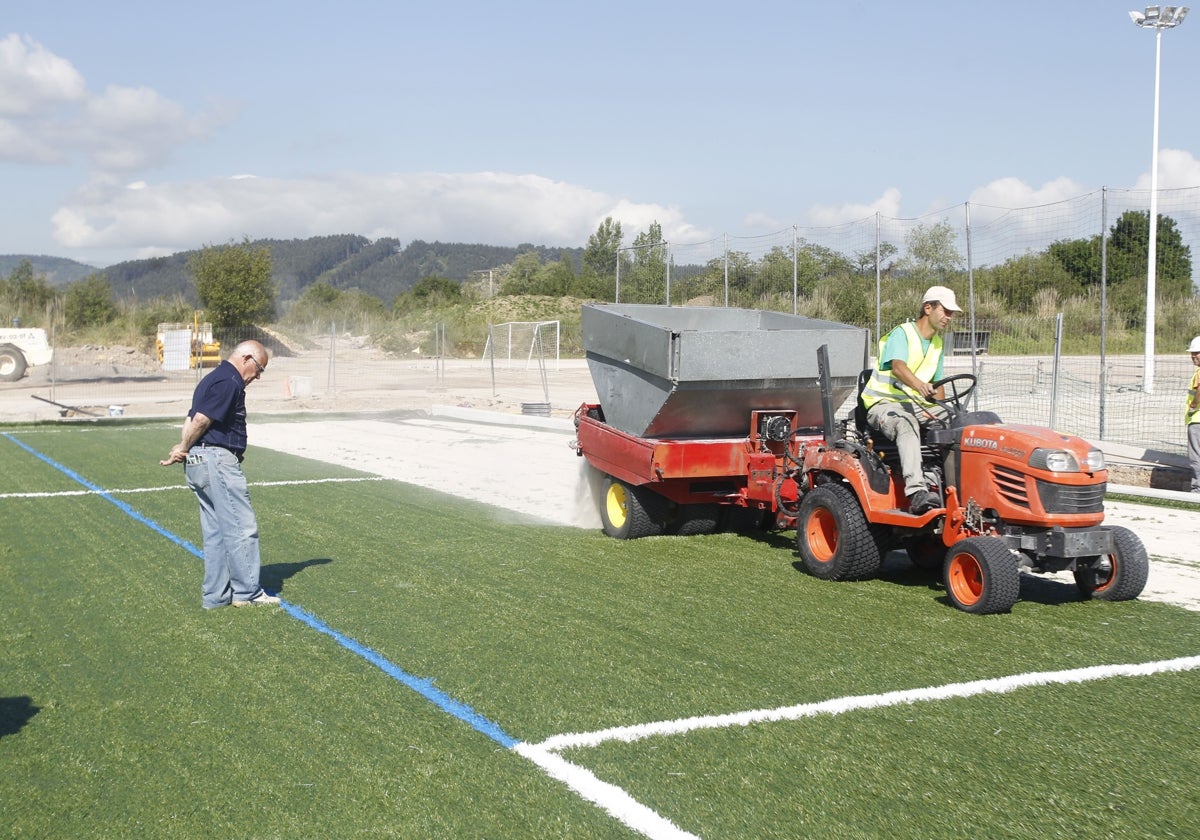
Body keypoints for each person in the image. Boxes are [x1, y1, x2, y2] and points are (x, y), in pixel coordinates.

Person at [160, 339, 279, 609]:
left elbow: (191, 419)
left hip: (200, 462)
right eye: (259, 369)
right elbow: (201, 420)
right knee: (242, 527)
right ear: (246, 358)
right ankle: (247, 592)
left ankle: (215, 596)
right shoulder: (230, 381)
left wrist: (185, 447)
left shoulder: (212, 378)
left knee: (215, 533)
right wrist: (183, 446)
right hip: (217, 461)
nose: (258, 376)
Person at [861, 285, 962, 515]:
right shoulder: (902, 333)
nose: (949, 317)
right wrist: (920, 387)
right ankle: (917, 492)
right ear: (928, 308)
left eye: (951, 313)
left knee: (960, 423)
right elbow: (898, 368)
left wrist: (940, 410)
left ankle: (956, 487)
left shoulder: (937, 344)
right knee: (906, 423)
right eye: (945, 311)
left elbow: (938, 386)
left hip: (915, 405)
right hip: (883, 405)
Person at [1187, 336, 1200, 493]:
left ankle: (1197, 490)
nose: (1193, 356)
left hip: (1197, 421)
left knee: (1196, 457)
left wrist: (1193, 405)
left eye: (1196, 353)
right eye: (1192, 353)